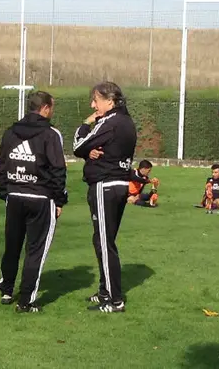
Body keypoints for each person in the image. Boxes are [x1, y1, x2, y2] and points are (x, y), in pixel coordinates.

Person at [0, 90, 67, 313]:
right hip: (40, 197)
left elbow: (2, 165)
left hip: (15, 196)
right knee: (36, 249)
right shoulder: (51, 134)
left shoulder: (10, 132)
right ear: (45, 108)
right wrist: (59, 199)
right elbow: (57, 169)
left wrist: (5, 192)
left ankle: (7, 289)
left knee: (12, 245)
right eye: (51, 107)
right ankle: (26, 301)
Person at [73, 81, 137, 314]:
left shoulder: (110, 122)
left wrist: (85, 123)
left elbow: (78, 145)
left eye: (96, 100)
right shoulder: (127, 121)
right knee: (104, 240)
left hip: (105, 185)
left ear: (110, 102)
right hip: (120, 184)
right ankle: (105, 290)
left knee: (103, 242)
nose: (93, 105)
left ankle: (114, 299)